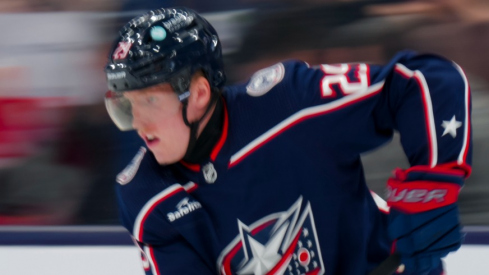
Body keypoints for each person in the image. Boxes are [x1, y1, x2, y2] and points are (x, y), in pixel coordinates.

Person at [103, 7, 472, 275]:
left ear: (198, 93)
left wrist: (434, 181)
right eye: (127, 105)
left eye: (149, 100)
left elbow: (426, 81)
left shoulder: (289, 103)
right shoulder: (146, 194)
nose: (137, 123)